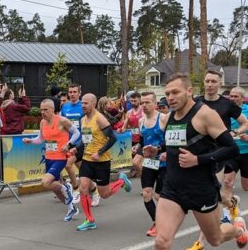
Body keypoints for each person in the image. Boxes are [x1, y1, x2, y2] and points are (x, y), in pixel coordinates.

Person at [129, 74, 248, 250]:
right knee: (162, 243)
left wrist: (199, 160)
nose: (170, 98)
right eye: (167, 94)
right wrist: (157, 152)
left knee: (215, 239)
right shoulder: (172, 115)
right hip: (173, 188)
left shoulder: (205, 115)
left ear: (189, 91)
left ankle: (238, 228)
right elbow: (176, 145)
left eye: (175, 93)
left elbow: (231, 149)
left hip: (201, 188)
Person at [184, 70, 248, 250]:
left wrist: (235, 132)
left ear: (220, 84)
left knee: (209, 195)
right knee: (218, 195)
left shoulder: (227, 104)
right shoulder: (195, 102)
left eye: (214, 81)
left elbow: (245, 124)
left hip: (219, 155)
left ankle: (199, 245)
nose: (210, 84)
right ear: (203, 83)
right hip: (198, 155)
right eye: (207, 81)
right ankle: (232, 205)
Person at [72, 93, 133, 231]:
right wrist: (76, 148)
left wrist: (99, 153)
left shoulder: (99, 119)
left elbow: (113, 138)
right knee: (83, 188)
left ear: (93, 104)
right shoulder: (83, 120)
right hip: (87, 159)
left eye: (86, 103)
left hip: (101, 161)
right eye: (82, 103)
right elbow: (85, 139)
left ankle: (121, 181)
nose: (83, 106)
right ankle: (89, 220)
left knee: (104, 194)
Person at [23, 99, 82, 221]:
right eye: (41, 110)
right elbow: (40, 139)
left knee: (45, 183)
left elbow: (77, 133)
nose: (43, 112)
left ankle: (66, 187)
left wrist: (69, 144)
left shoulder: (62, 120)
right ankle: (72, 209)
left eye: (45, 110)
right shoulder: (42, 123)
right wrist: (31, 141)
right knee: (58, 192)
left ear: (52, 109)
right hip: (49, 157)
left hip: (60, 157)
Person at [221, 87, 248, 203]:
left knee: (246, 186)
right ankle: (228, 213)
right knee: (227, 181)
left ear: (243, 98)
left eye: (236, 96)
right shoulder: (225, 110)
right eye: (231, 96)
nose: (233, 99)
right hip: (230, 151)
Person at [136, 92, 168, 237]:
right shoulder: (141, 121)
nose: (144, 105)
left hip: (164, 163)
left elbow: (172, 141)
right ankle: (157, 223)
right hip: (149, 162)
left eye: (147, 102)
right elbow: (143, 140)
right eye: (142, 103)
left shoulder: (163, 119)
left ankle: (168, 220)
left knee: (159, 196)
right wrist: (138, 146)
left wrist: (159, 149)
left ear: (155, 104)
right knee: (146, 194)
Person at [60, 83, 85, 201]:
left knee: (68, 164)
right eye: (70, 92)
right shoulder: (65, 107)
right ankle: (94, 189)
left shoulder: (83, 106)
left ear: (80, 93)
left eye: (75, 92)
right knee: (83, 169)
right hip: (69, 142)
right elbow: (62, 124)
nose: (72, 94)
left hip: (82, 142)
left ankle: (75, 189)